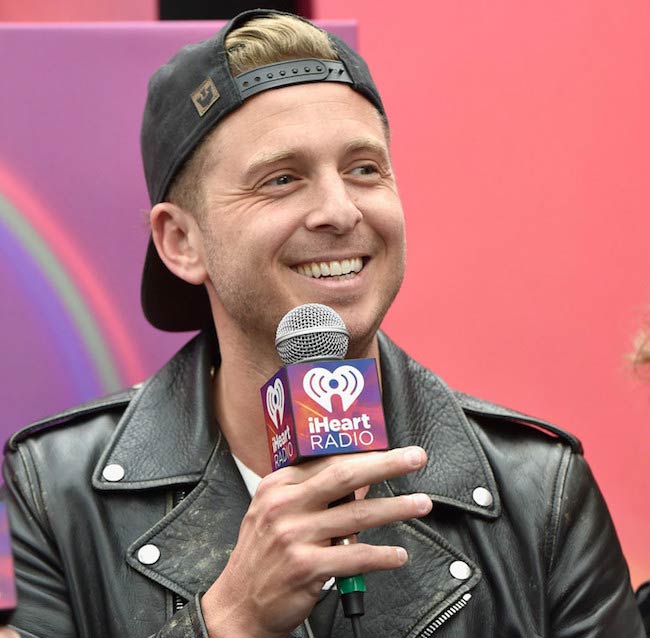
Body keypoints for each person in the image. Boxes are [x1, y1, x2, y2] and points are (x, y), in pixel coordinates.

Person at [2, 9, 645, 638]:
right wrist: (230, 622)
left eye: (365, 169)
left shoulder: (541, 489)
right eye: (282, 180)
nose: (339, 211)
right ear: (180, 242)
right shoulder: (52, 490)